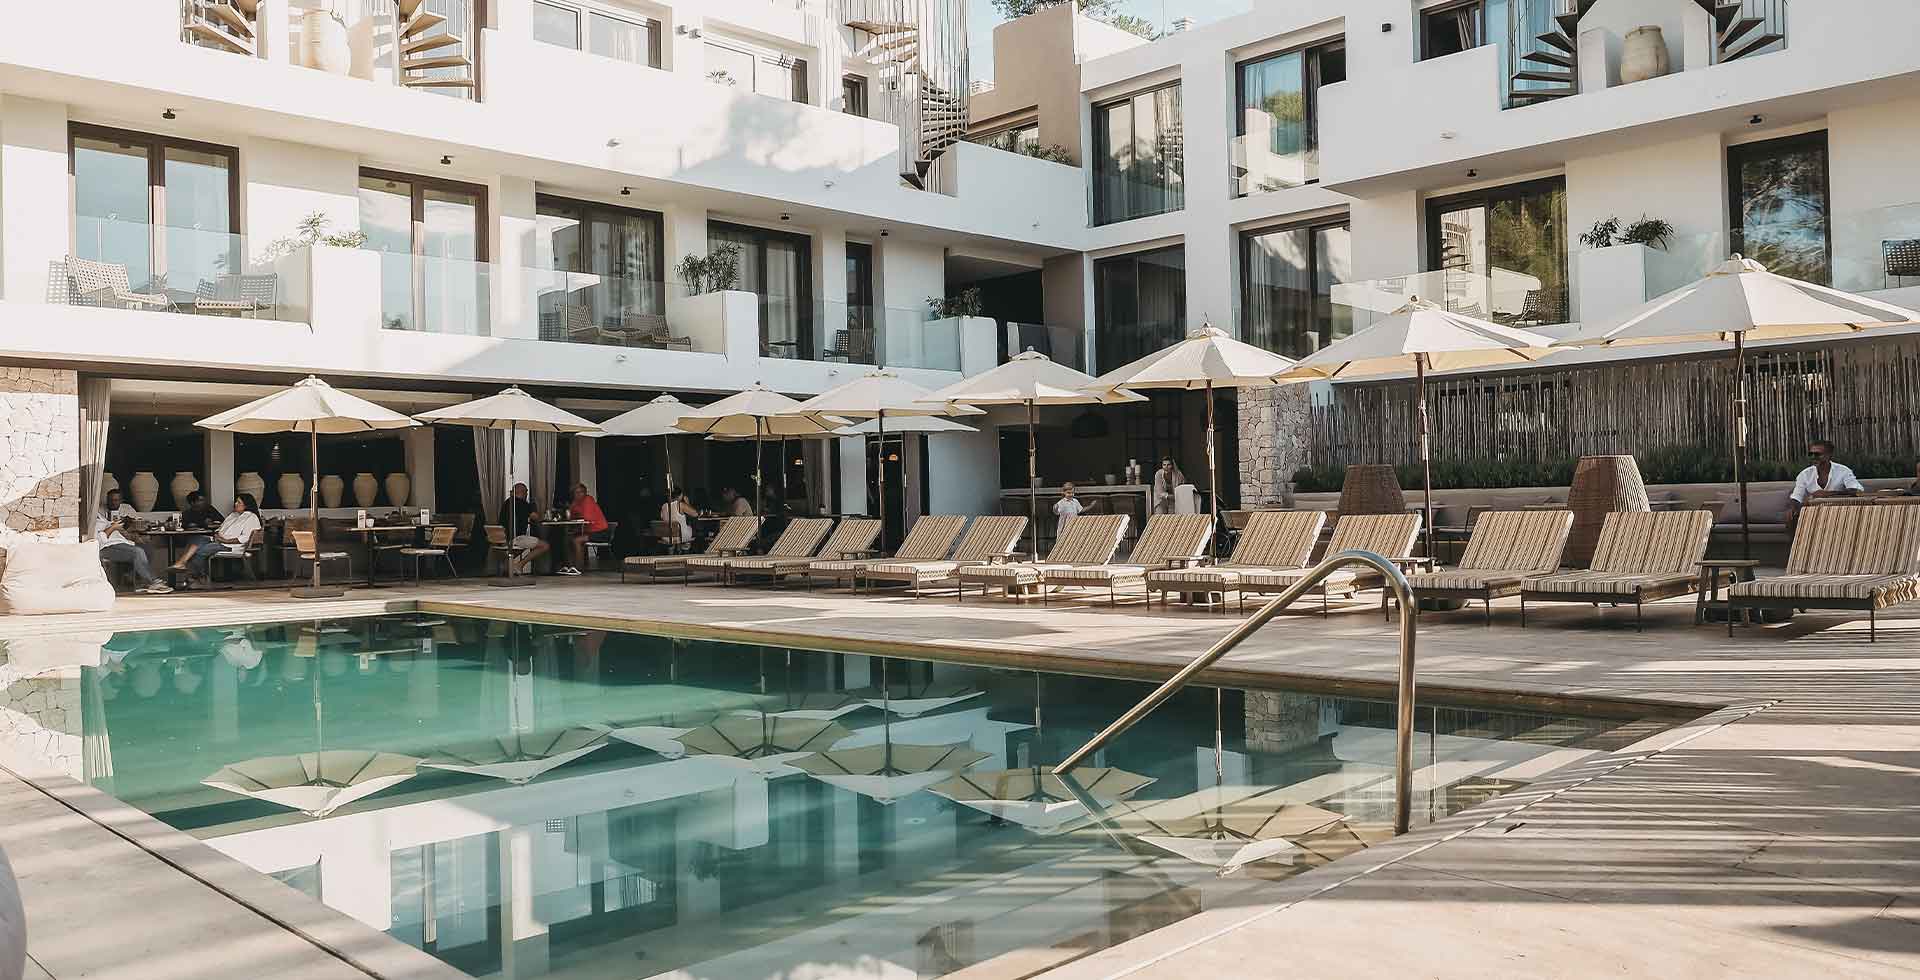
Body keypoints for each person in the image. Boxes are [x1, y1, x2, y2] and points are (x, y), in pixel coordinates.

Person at [172, 494, 261, 585]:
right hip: (218, 540)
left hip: (230, 545)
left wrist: (224, 541)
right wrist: (217, 534)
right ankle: (187, 567)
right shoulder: (233, 515)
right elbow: (221, 528)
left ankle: (193, 575)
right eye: (236, 501)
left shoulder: (251, 517)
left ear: (246, 505)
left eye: (239, 502)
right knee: (195, 539)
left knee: (199, 551)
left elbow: (244, 538)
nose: (235, 503)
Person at [97, 490, 170, 594]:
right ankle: (152, 581)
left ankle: (135, 577)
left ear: (121, 501)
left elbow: (121, 532)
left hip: (121, 542)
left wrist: (131, 535)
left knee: (147, 547)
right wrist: (113, 527)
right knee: (137, 552)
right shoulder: (92, 519)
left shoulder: (100, 516)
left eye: (116, 500)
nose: (113, 503)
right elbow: (100, 540)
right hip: (106, 546)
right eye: (110, 500)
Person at [1787, 439, 1865, 532]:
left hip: (1837, 512)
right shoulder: (1805, 474)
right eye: (1810, 454)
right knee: (1791, 517)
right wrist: (1793, 508)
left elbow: (1858, 490)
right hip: (1813, 513)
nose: (1813, 457)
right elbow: (1796, 497)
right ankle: (1798, 546)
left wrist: (1829, 494)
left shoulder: (1843, 471)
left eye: (1817, 454)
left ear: (1829, 455)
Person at [500, 483, 550, 574]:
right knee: (545, 545)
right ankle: (520, 565)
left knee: (523, 546)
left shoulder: (507, 503)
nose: (527, 494)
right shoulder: (522, 503)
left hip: (504, 538)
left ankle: (506, 567)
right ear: (523, 492)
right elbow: (535, 517)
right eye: (526, 491)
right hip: (516, 538)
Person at [561, 482, 609, 575]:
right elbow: (570, 515)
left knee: (577, 540)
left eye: (581, 492)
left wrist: (575, 515)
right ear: (573, 494)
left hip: (601, 532)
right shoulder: (575, 502)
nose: (579, 494)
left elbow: (587, 517)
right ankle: (570, 566)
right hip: (589, 531)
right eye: (576, 492)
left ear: (585, 493)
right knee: (567, 539)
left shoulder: (588, 500)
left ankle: (578, 568)